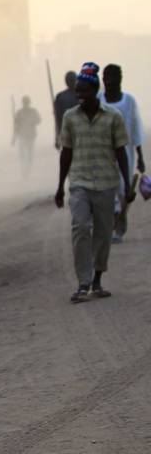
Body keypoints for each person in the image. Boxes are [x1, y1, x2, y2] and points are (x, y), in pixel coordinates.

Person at [55, 62, 131, 303]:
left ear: (95, 90)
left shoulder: (113, 117)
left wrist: (127, 185)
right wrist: (59, 187)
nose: (79, 96)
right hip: (79, 182)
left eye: (83, 91)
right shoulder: (70, 118)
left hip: (107, 183)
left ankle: (97, 279)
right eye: (77, 91)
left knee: (102, 233)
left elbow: (121, 152)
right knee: (79, 228)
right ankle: (83, 282)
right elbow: (65, 152)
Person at [98, 64, 145, 242]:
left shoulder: (129, 101)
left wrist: (140, 156)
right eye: (105, 77)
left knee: (122, 189)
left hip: (125, 152)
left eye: (111, 77)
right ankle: (114, 220)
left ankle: (120, 222)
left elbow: (135, 128)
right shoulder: (99, 99)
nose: (108, 81)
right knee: (107, 190)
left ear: (120, 79)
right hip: (103, 153)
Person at [12, 95, 41, 176]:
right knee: (22, 154)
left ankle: (28, 170)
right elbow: (16, 125)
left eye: (26, 102)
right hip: (22, 136)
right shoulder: (19, 112)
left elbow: (39, 120)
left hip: (31, 135)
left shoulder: (33, 111)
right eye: (24, 102)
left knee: (30, 154)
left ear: (28, 102)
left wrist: (32, 122)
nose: (25, 103)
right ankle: (23, 170)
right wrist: (14, 137)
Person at [54, 71, 79, 150]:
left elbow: (57, 119)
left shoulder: (82, 95)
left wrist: (57, 137)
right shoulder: (60, 97)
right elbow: (58, 118)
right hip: (69, 132)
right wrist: (57, 137)